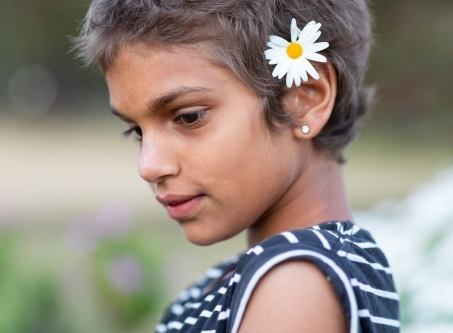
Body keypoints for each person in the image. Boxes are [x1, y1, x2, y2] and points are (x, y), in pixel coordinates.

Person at [74, 0, 399, 332]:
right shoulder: (267, 276)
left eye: (189, 116)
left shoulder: (295, 285)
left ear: (305, 98)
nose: (149, 166)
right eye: (137, 131)